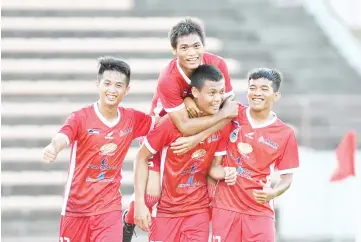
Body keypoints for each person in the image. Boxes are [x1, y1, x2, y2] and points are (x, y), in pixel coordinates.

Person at [122, 17, 237, 241]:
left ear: (204, 46)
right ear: (174, 50)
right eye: (184, 47)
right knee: (153, 192)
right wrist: (194, 108)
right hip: (164, 124)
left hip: (200, 126)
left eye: (197, 46)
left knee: (203, 174)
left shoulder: (217, 65)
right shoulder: (168, 79)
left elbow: (230, 109)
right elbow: (182, 125)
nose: (192, 52)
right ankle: (130, 216)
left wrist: (199, 137)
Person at [41, 57, 157, 242]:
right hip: (76, 209)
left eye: (119, 85)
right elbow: (62, 137)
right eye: (108, 84)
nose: (112, 90)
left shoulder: (132, 119)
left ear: (127, 90)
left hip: (108, 208)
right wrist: (53, 148)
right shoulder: (80, 117)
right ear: (98, 85)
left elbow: (158, 124)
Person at [211, 68, 300, 242]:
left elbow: (287, 178)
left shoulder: (285, 133)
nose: (257, 93)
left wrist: (272, 193)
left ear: (276, 95)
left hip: (259, 210)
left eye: (264, 89)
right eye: (253, 88)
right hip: (226, 208)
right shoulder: (232, 114)